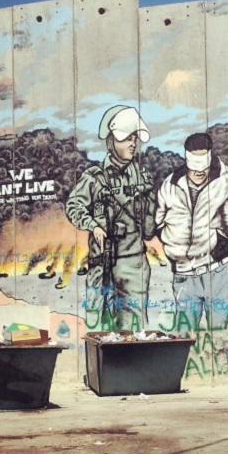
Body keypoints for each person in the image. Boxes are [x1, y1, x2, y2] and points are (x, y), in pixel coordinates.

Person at [66, 105, 156, 331]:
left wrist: (148, 202)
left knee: (133, 328)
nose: (132, 143)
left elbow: (149, 230)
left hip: (133, 262)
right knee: (98, 326)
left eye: (134, 138)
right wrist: (93, 225)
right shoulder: (94, 177)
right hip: (101, 263)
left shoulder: (142, 178)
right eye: (126, 138)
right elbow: (73, 205)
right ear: (111, 141)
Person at [155, 132, 228, 331]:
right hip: (183, 272)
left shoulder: (225, 181)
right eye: (195, 165)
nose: (200, 171)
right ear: (187, 158)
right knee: (184, 334)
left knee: (222, 332)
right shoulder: (171, 184)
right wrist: (173, 244)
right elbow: (159, 219)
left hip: (216, 268)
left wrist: (218, 239)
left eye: (203, 165)